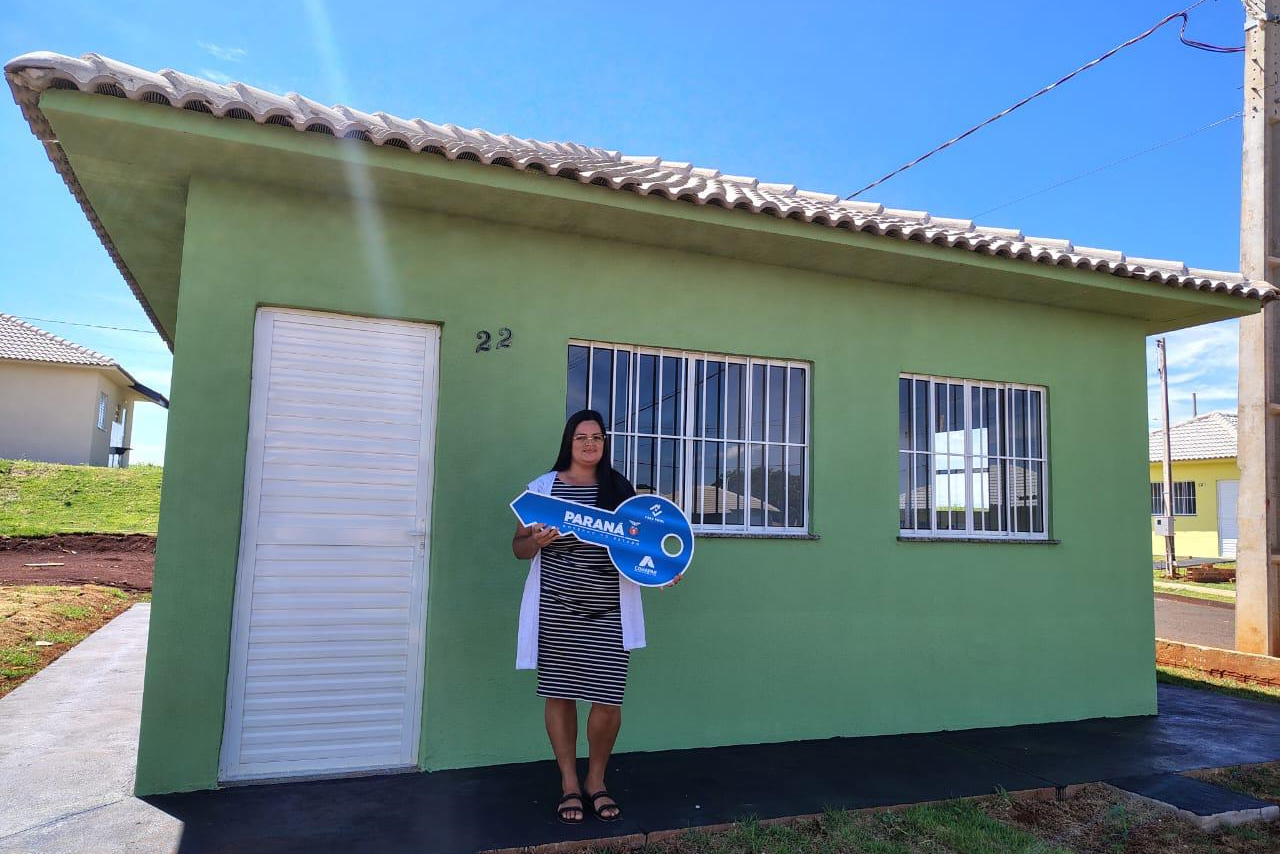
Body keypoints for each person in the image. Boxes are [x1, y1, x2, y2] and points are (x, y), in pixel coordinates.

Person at [512, 409, 678, 824]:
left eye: (597, 437)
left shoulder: (621, 490)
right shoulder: (543, 489)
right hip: (557, 607)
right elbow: (518, 547)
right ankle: (569, 782)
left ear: (604, 444)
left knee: (607, 698)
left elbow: (648, 544)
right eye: (582, 436)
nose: (590, 443)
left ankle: (596, 781)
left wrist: (663, 570)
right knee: (560, 692)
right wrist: (534, 539)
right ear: (568, 442)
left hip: (608, 609)